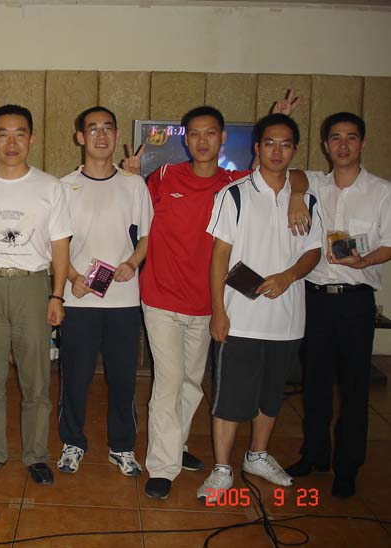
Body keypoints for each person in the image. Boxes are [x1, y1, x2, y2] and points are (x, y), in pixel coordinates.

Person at [125, 102, 309, 501]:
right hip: (161, 297)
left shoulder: (235, 183)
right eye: (194, 134)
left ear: (223, 138)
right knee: (169, 381)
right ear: (185, 140)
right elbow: (134, 207)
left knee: (192, 383)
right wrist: (129, 176)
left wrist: (297, 192)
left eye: (210, 133)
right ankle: (163, 466)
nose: (202, 141)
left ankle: (177, 444)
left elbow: (289, 172)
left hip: (208, 303)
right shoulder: (165, 176)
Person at [198, 113, 322, 503]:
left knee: (271, 397)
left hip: (287, 321)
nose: (277, 151)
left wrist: (288, 276)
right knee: (229, 399)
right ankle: (222, 469)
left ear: (295, 150)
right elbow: (220, 256)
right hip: (241, 320)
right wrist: (219, 310)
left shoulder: (306, 198)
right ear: (257, 148)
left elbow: (313, 251)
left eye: (285, 144)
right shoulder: (234, 195)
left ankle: (257, 456)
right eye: (269, 143)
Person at [0, 104, 71, 485]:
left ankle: (36, 455)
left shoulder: (50, 187)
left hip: (32, 286)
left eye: (20, 133)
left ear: (32, 139)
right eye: (2, 133)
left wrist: (57, 296)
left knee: (36, 380)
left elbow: (61, 245)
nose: (11, 142)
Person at [284, 111, 391, 498]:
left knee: (354, 388)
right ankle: (315, 455)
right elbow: (289, 173)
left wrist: (366, 261)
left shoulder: (382, 191)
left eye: (350, 137)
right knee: (314, 383)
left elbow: (389, 243)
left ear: (362, 143)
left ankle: (348, 467)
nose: (343, 145)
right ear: (325, 145)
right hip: (315, 300)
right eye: (335, 138)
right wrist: (297, 195)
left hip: (355, 302)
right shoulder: (315, 183)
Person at [56, 106, 151, 477]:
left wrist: (133, 262)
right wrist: (72, 276)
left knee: (124, 379)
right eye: (92, 129)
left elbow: (146, 236)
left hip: (123, 301)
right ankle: (72, 442)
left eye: (107, 128)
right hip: (78, 298)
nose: (100, 135)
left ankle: (122, 447)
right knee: (74, 377)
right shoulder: (64, 187)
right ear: (80, 137)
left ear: (116, 135)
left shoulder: (134, 184)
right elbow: (56, 244)